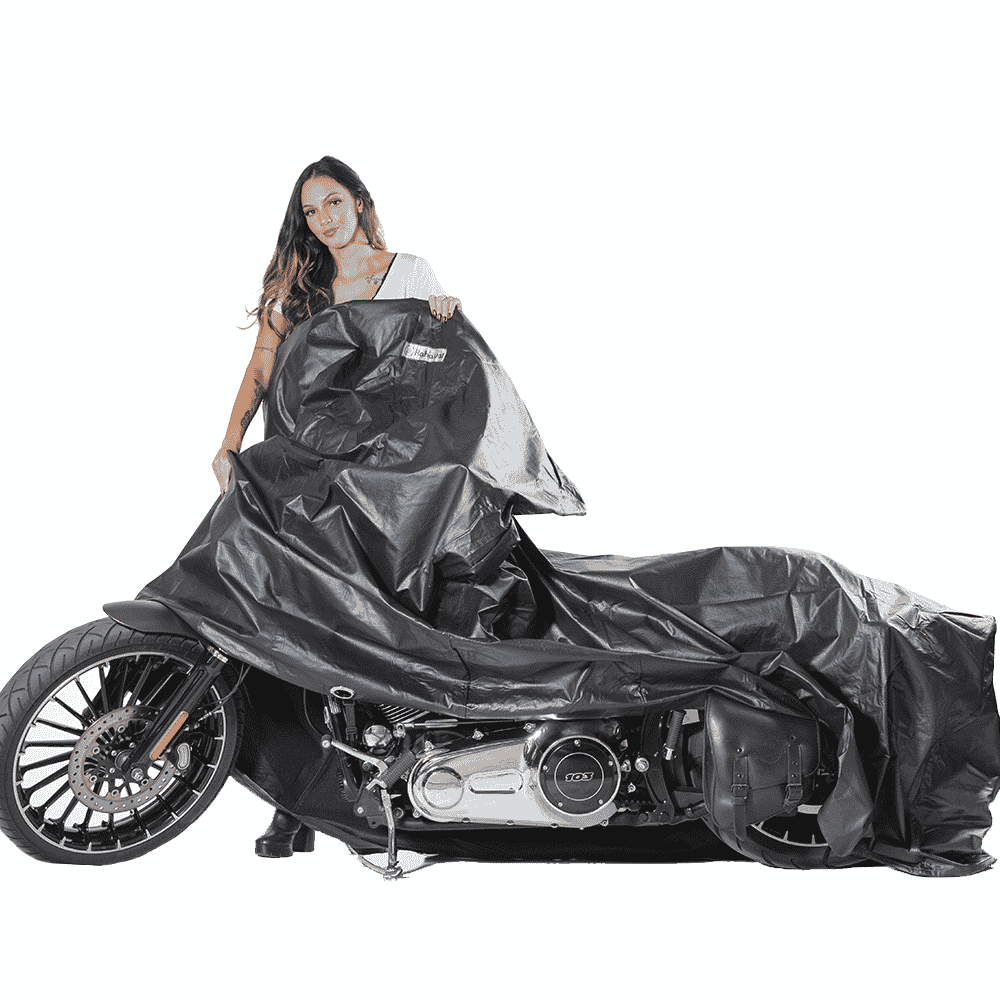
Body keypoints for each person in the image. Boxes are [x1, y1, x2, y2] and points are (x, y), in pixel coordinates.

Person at [212, 156, 462, 496]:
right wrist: (230, 444)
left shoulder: (409, 273)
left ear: (358, 201)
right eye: (311, 211)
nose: (325, 219)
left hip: (385, 466)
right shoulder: (295, 288)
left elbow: (438, 369)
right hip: (306, 464)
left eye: (334, 202)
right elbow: (261, 367)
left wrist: (447, 318)